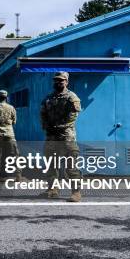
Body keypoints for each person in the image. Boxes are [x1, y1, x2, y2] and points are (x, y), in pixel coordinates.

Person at [40, 72, 82, 202]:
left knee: (71, 165)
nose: (58, 83)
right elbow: (43, 114)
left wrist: (58, 126)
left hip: (66, 136)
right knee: (51, 164)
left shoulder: (72, 97)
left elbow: (72, 117)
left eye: (61, 81)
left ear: (67, 82)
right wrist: (46, 126)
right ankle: (53, 190)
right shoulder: (48, 97)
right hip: (51, 136)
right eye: (56, 81)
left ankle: (76, 192)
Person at [0, 90, 19, 182]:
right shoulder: (11, 108)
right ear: (6, 97)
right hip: (10, 134)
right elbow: (14, 121)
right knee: (15, 154)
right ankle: (18, 175)